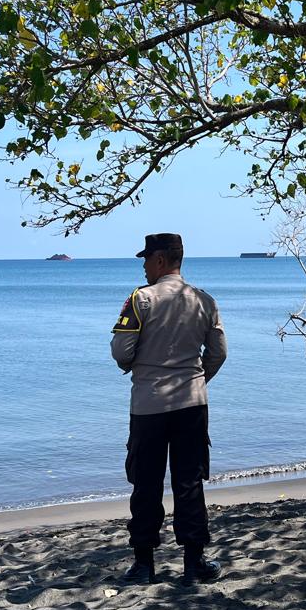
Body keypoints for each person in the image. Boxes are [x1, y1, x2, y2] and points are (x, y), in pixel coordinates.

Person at [110, 233, 228, 585]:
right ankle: (194, 561)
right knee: (189, 482)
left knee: (145, 484)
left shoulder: (140, 300)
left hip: (149, 405)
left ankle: (144, 563)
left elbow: (121, 352)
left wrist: (138, 365)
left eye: (146, 259)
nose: (144, 266)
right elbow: (218, 352)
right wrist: (196, 378)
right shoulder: (204, 300)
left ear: (160, 260)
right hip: (191, 403)